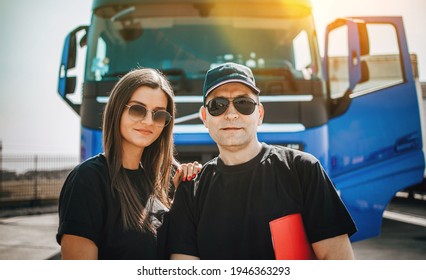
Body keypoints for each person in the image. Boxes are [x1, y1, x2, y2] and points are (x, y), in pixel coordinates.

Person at [168, 62, 357, 260]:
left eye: (244, 103)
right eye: (218, 105)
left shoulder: (303, 171)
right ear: (205, 117)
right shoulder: (191, 190)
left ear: (259, 114)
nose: (231, 114)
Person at [56, 68, 201, 260]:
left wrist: (185, 195)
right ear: (117, 110)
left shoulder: (161, 186)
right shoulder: (88, 179)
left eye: (159, 115)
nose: (148, 121)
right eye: (137, 109)